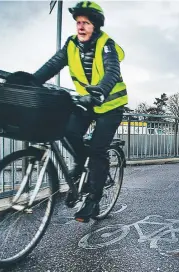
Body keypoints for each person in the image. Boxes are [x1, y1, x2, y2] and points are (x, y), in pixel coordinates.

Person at [31, 1, 128, 222]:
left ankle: (94, 199)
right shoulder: (72, 45)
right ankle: (80, 161)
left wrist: (101, 91)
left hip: (110, 105)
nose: (81, 27)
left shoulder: (107, 45)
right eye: (78, 23)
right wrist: (30, 81)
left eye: (86, 23)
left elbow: (112, 71)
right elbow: (53, 64)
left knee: (97, 150)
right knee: (67, 131)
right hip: (87, 102)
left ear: (96, 25)